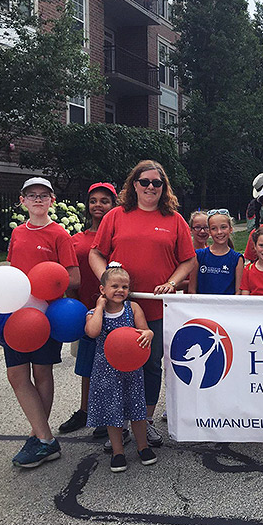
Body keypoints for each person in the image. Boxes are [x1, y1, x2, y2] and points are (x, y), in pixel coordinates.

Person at [90, 160, 196, 449]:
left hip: (155, 308)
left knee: (150, 365)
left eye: (157, 183)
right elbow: (96, 253)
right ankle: (117, 423)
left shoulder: (174, 220)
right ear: (134, 184)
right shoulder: (115, 216)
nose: (151, 187)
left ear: (164, 188)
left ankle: (144, 422)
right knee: (116, 365)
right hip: (118, 309)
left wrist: (172, 283)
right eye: (145, 181)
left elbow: (188, 260)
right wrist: (109, 281)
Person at [0, 177, 79, 468]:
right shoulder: (18, 234)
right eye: (31, 195)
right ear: (22, 201)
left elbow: (74, 277)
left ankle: (40, 438)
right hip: (16, 314)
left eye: (43, 195)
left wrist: (44, 282)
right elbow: (12, 272)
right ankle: (44, 438)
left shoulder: (59, 234)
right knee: (17, 376)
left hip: (46, 315)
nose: (37, 200)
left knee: (42, 373)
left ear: (52, 201)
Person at [84, 264, 157, 472]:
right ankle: (118, 451)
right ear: (102, 290)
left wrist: (149, 335)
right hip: (106, 372)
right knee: (112, 411)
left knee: (137, 410)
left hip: (132, 370)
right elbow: (92, 332)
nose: (120, 290)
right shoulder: (93, 313)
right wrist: (99, 307)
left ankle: (142, 446)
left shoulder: (132, 308)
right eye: (114, 286)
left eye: (124, 287)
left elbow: (145, 330)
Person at [58, 182, 117, 438]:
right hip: (85, 310)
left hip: (115, 311)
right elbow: (70, 277)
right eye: (93, 200)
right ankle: (85, 410)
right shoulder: (77, 240)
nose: (98, 205)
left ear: (113, 205)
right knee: (87, 365)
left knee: (113, 365)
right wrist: (73, 305)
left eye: (104, 200)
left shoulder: (118, 237)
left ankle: (108, 414)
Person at [189, 209, 244, 295]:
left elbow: (238, 292)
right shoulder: (199, 256)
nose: (219, 232)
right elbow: (192, 290)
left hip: (226, 307)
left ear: (230, 229)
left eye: (223, 227)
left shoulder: (237, 259)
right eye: (214, 228)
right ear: (209, 232)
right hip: (203, 307)